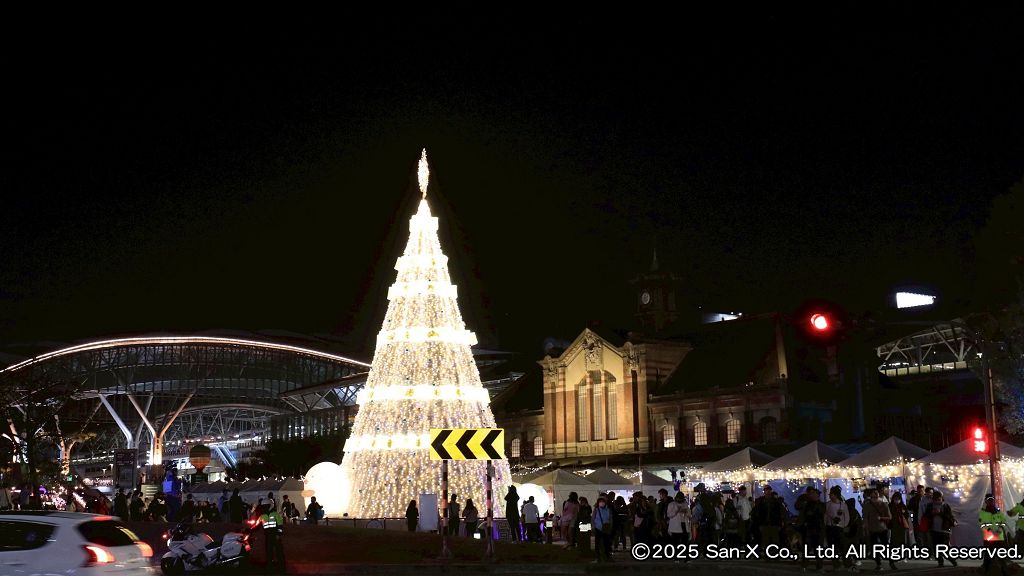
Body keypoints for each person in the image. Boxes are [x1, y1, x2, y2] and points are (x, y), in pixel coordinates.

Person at [863, 488, 897, 571]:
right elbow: (865, 518)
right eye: (873, 492)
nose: (875, 493)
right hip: (872, 529)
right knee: (875, 547)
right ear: (870, 495)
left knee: (886, 546)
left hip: (882, 528)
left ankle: (891, 562)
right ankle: (878, 564)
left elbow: (890, 517)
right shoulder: (867, 505)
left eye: (876, 492)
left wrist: (881, 518)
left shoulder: (883, 504)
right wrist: (866, 528)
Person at [796, 487, 825, 572]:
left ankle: (819, 566)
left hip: (818, 529)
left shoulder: (821, 505)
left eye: (814, 493)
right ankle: (804, 565)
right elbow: (802, 513)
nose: (812, 495)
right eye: (811, 493)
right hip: (809, 529)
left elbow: (821, 514)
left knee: (818, 549)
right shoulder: (806, 504)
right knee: (807, 548)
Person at [926, 491, 957, 567]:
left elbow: (949, 517)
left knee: (945, 546)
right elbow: (926, 515)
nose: (937, 501)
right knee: (936, 546)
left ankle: (951, 559)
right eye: (935, 499)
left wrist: (940, 513)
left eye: (938, 499)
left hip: (944, 530)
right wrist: (931, 514)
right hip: (934, 529)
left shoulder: (945, 506)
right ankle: (940, 561)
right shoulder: (930, 506)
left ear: (941, 498)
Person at [979, 495, 1008, 575]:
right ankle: (985, 571)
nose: (990, 501)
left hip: (999, 538)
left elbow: (1004, 522)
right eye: (989, 500)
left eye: (992, 500)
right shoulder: (982, 512)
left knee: (1002, 557)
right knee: (988, 557)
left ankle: (1004, 572)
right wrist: (990, 531)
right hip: (989, 538)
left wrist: (1000, 529)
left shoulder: (999, 512)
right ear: (985, 501)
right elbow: (982, 524)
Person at [825, 487, 850, 572]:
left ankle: (847, 564)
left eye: (831, 494)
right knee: (832, 548)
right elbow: (825, 516)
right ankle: (836, 565)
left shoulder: (843, 505)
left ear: (835, 495)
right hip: (830, 528)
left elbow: (846, 517)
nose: (830, 496)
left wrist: (843, 525)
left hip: (839, 528)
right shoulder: (827, 504)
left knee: (843, 547)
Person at [259, 502, 286, 569]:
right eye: (263, 507)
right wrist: (249, 529)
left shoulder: (275, 514)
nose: (263, 508)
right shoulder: (262, 516)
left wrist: (278, 534)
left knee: (279, 551)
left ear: (268, 507)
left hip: (275, 536)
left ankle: (281, 565)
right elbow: (257, 525)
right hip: (268, 536)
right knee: (269, 551)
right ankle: (270, 565)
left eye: (264, 506)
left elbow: (280, 526)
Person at [592, 496, 613, 562]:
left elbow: (610, 519)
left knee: (606, 543)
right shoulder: (596, 509)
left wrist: (610, 527)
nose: (601, 503)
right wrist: (593, 526)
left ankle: (607, 556)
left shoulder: (608, 509)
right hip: (598, 528)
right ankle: (597, 557)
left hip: (606, 528)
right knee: (597, 543)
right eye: (600, 501)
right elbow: (593, 518)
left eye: (603, 501)